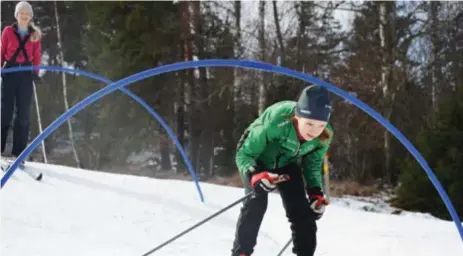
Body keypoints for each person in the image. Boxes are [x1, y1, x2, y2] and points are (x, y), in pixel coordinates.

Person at [231, 85, 334, 256]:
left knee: (303, 213)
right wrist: (254, 175)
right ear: (297, 116)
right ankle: (241, 253)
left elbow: (312, 164)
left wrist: (316, 193)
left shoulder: (325, 135)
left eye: (320, 125)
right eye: (309, 123)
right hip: (257, 160)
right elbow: (244, 154)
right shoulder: (277, 119)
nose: (314, 131)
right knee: (256, 202)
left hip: (287, 163)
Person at [1, 1, 42, 160]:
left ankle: (18, 153)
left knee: (23, 114)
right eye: (21, 13)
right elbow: (2, 51)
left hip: (25, 74)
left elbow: (37, 56)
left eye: (27, 14)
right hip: (10, 73)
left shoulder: (35, 34)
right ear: (17, 15)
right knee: (5, 112)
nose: (24, 16)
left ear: (30, 16)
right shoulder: (8, 32)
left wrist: (36, 73)